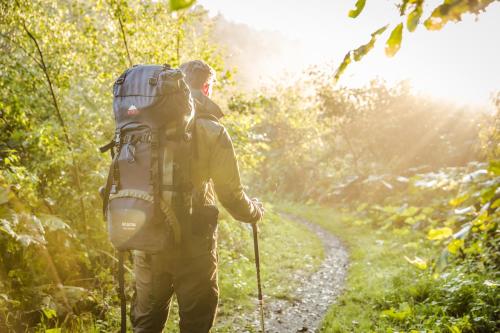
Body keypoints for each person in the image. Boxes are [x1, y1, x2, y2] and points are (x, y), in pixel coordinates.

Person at [131, 60, 264, 333]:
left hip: (147, 238)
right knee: (195, 324)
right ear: (206, 87)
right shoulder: (213, 131)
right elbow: (231, 196)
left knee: (145, 325)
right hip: (193, 245)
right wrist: (254, 212)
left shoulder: (144, 124)